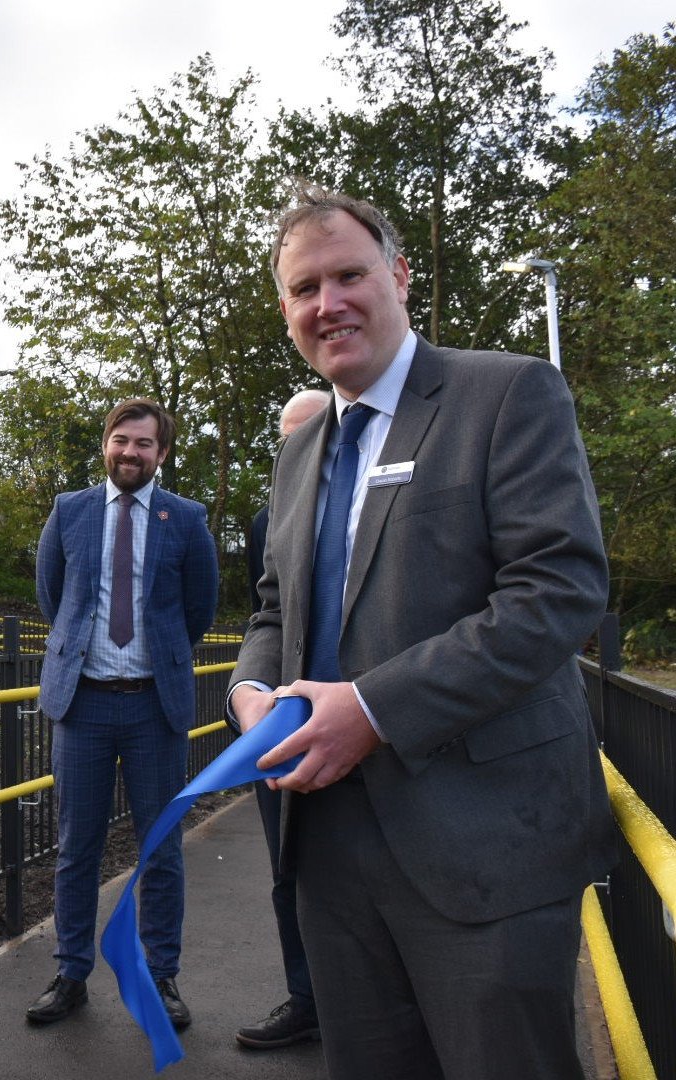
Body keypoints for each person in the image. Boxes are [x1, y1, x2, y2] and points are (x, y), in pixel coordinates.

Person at [229, 183, 615, 1079]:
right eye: (303, 289)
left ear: (399, 276)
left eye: (349, 274)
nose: (328, 304)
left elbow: (557, 593)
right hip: (328, 852)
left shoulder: (510, 391)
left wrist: (371, 707)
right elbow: (274, 608)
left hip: (486, 851)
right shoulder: (297, 452)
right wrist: (251, 691)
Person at [24, 399, 219, 1028]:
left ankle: (162, 978)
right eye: (119, 440)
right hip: (81, 706)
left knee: (159, 849)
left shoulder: (186, 519)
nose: (129, 453)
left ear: (162, 454)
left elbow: (199, 610)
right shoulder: (69, 510)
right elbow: (54, 597)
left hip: (152, 709)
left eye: (143, 444)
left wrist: (154, 659)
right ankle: (71, 973)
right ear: (105, 445)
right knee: (76, 848)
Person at [237, 387, 328, 1051]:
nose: (305, 449)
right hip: (285, 731)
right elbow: (265, 612)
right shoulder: (270, 519)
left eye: (316, 432)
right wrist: (249, 685)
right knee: (288, 871)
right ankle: (308, 999)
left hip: (369, 725)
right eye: (291, 440)